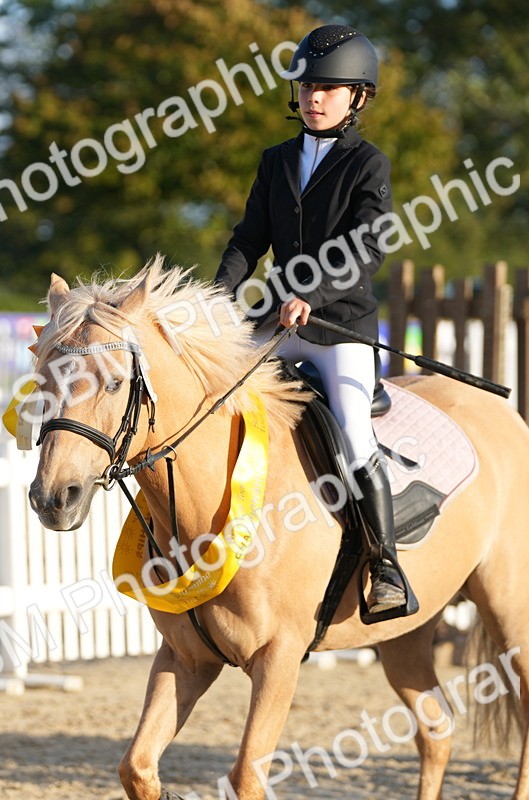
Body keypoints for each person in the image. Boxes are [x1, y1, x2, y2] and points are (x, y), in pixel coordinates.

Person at [213, 23, 414, 620]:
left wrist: (314, 293)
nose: (312, 97)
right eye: (305, 87)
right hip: (275, 323)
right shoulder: (275, 161)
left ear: (358, 97)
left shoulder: (367, 164)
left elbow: (368, 247)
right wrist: (214, 299)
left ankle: (385, 565)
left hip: (339, 329)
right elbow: (248, 240)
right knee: (214, 401)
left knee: (353, 435)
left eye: (328, 88)